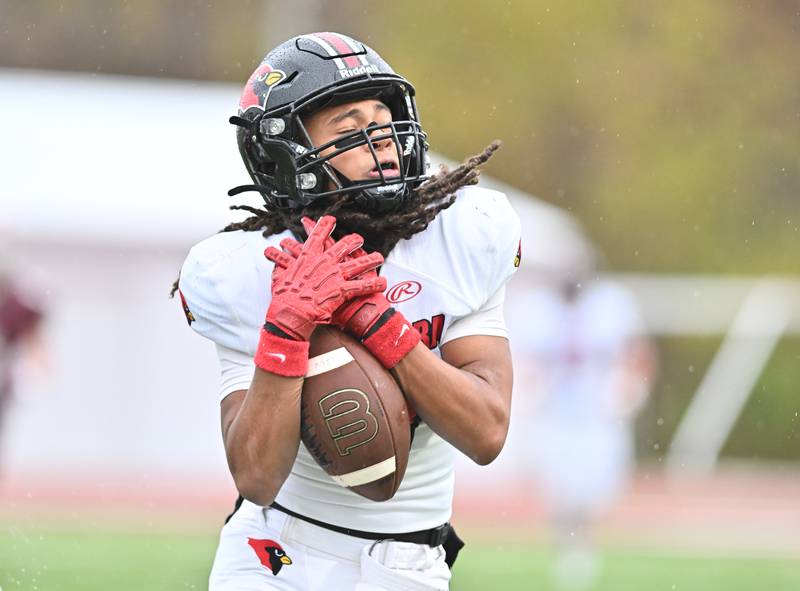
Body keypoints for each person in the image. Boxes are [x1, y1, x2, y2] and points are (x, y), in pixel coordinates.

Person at [175, 32, 521, 590]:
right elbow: (256, 476)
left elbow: (486, 433)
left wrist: (382, 327)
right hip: (275, 555)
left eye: (383, 120)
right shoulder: (246, 271)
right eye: (350, 129)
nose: (381, 140)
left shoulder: (463, 233)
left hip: (411, 564)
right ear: (287, 157)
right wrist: (285, 331)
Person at [512, 260, 656, 591]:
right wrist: (528, 394)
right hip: (555, 414)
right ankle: (568, 549)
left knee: (597, 489)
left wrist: (630, 391)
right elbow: (521, 359)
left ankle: (585, 546)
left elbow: (638, 353)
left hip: (598, 414)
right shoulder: (537, 310)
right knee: (558, 489)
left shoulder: (612, 305)